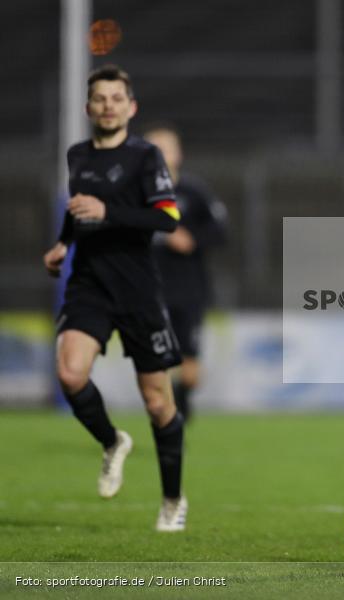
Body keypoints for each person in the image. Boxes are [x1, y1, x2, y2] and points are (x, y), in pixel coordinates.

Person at [42, 65, 188, 532]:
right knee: (69, 374)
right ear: (89, 108)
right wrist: (64, 242)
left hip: (138, 290)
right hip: (89, 285)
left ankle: (171, 499)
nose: (108, 105)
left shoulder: (146, 157)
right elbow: (77, 207)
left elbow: (167, 219)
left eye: (116, 98)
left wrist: (110, 212)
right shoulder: (77, 154)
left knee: (158, 404)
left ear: (131, 107)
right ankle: (111, 442)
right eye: (100, 98)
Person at [145, 125, 227, 423]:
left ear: (178, 153)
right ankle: (167, 418)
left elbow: (220, 231)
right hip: (149, 289)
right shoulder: (136, 194)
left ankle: (181, 400)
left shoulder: (195, 192)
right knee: (157, 362)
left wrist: (192, 240)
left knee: (190, 371)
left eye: (166, 147)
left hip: (189, 289)